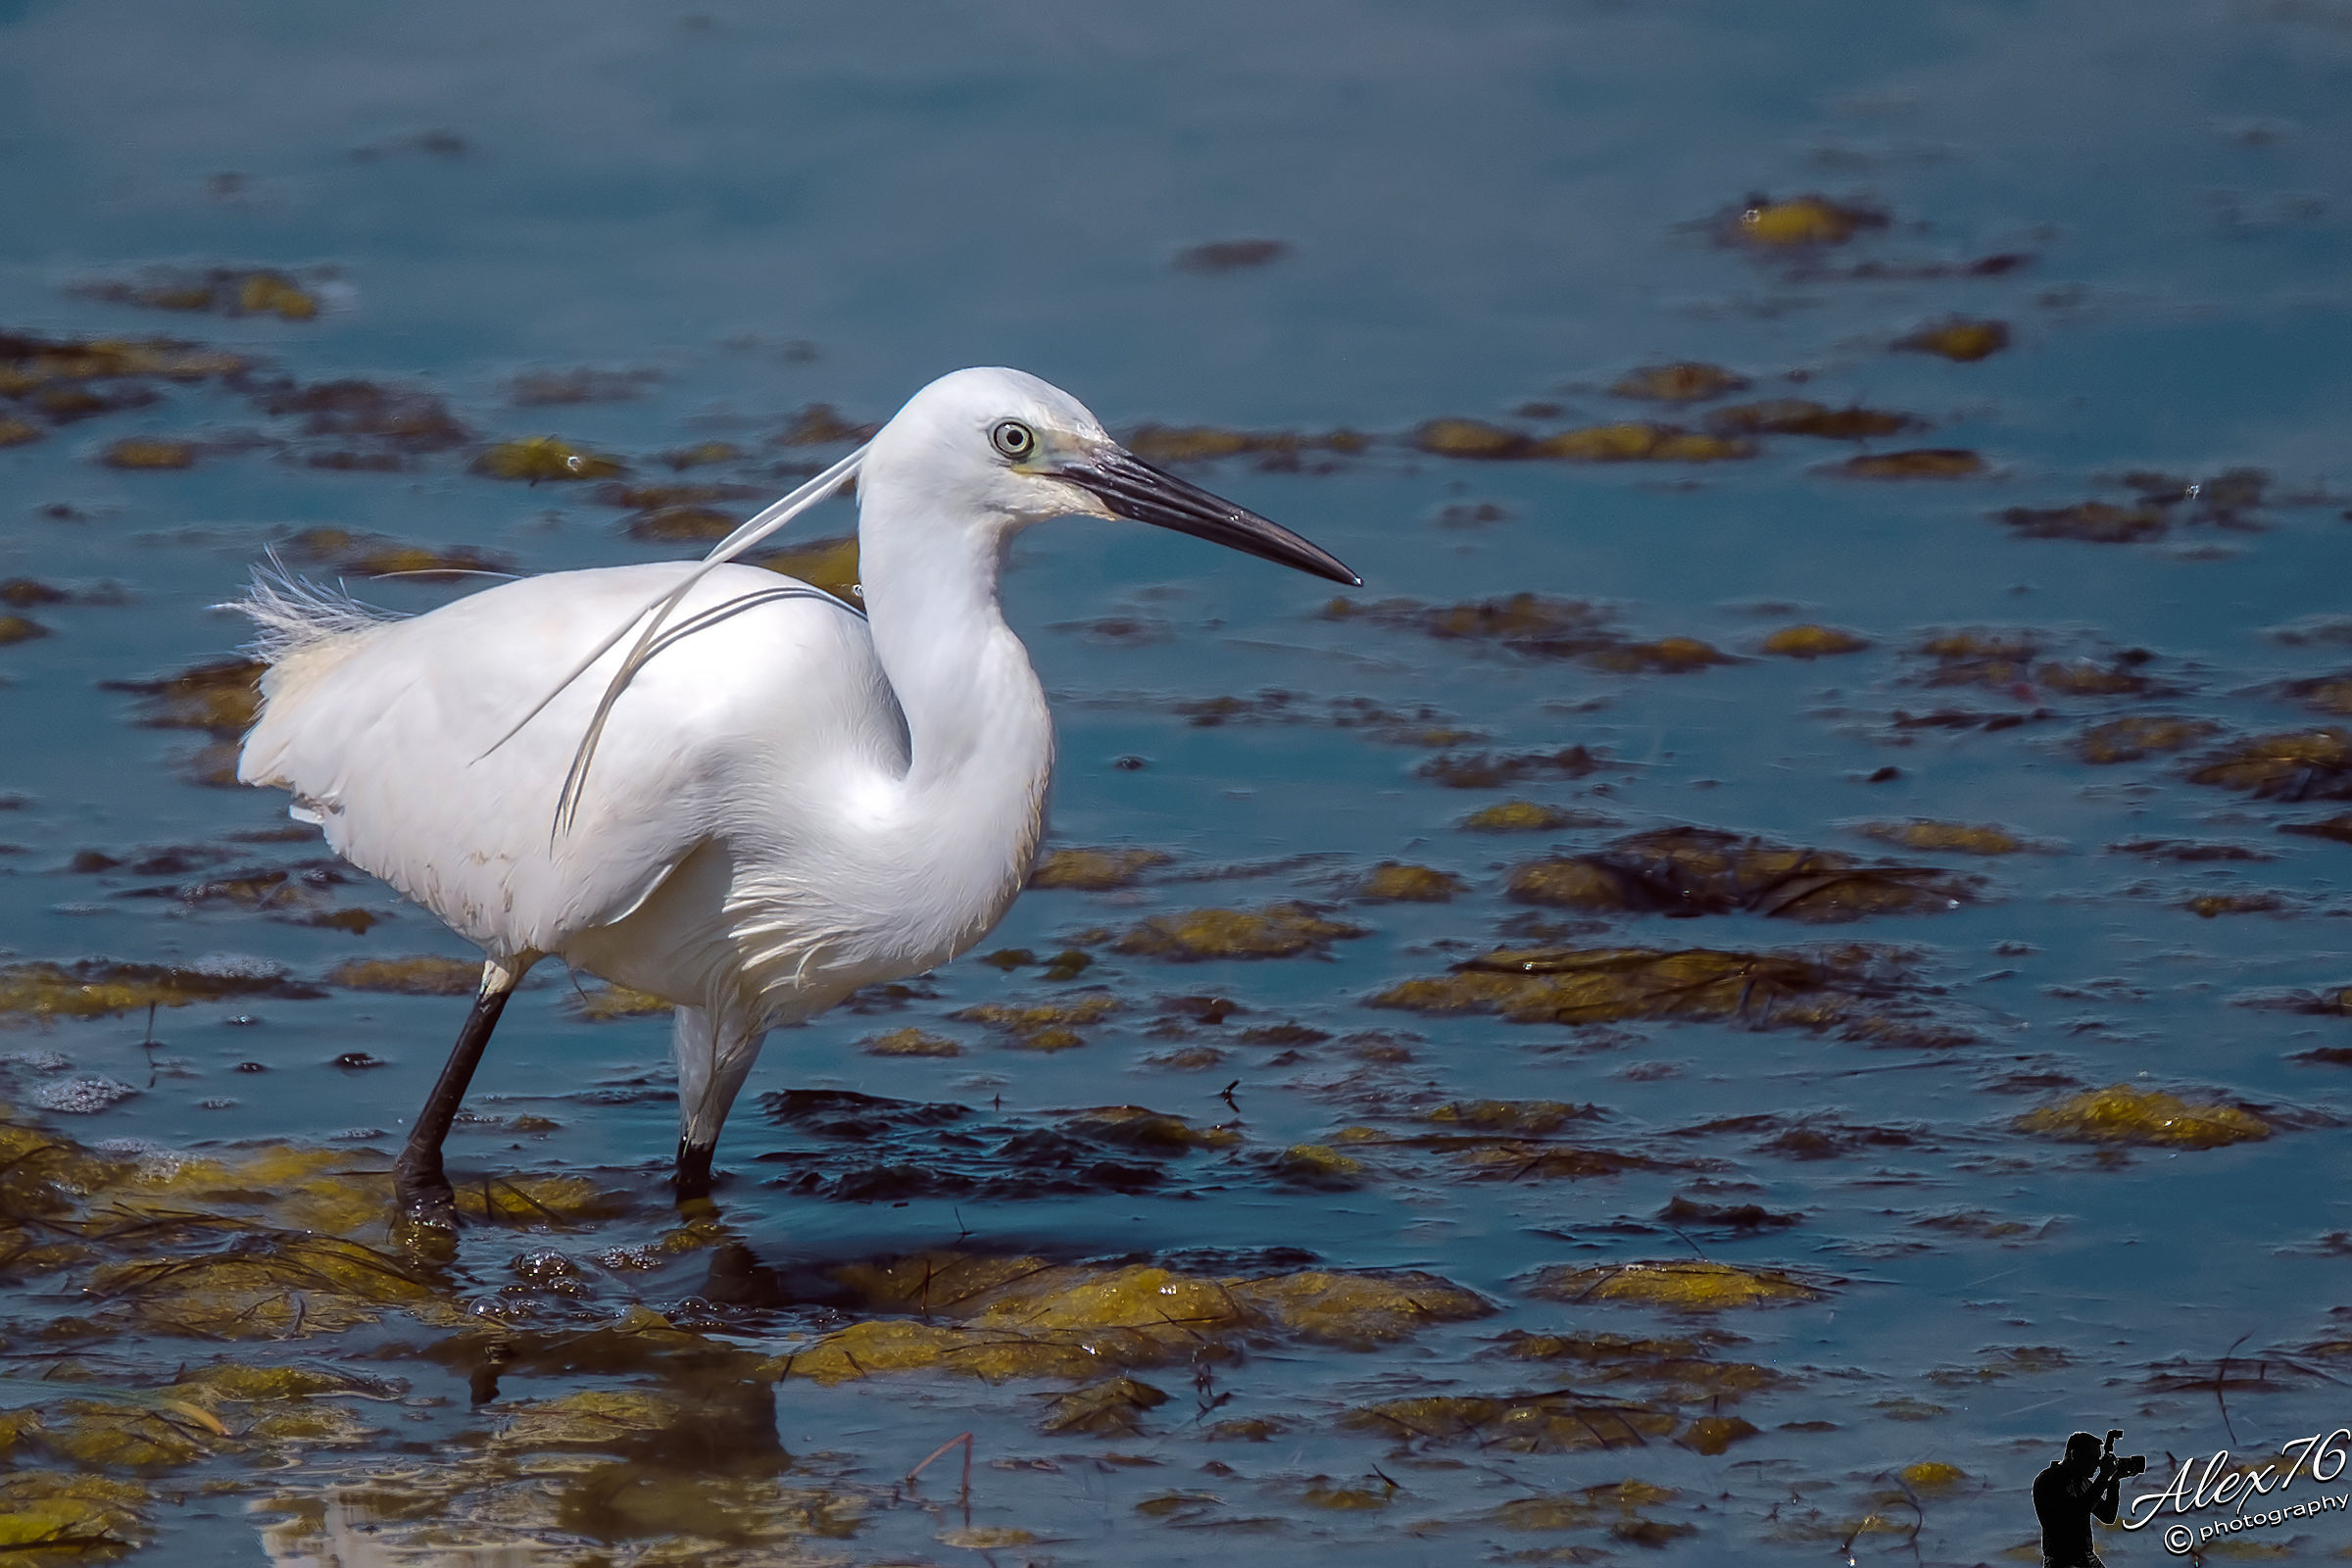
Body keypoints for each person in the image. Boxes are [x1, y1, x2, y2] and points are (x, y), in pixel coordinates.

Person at [2034, 1431, 2122, 1567]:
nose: (2097, 1464)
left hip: (2087, 1557)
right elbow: (2077, 1512)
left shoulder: (2083, 1482)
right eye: (2093, 1458)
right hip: (2062, 1560)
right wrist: (2104, 1477)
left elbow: (2108, 1516)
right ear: (2074, 1455)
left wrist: (2114, 1482)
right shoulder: (2049, 1479)